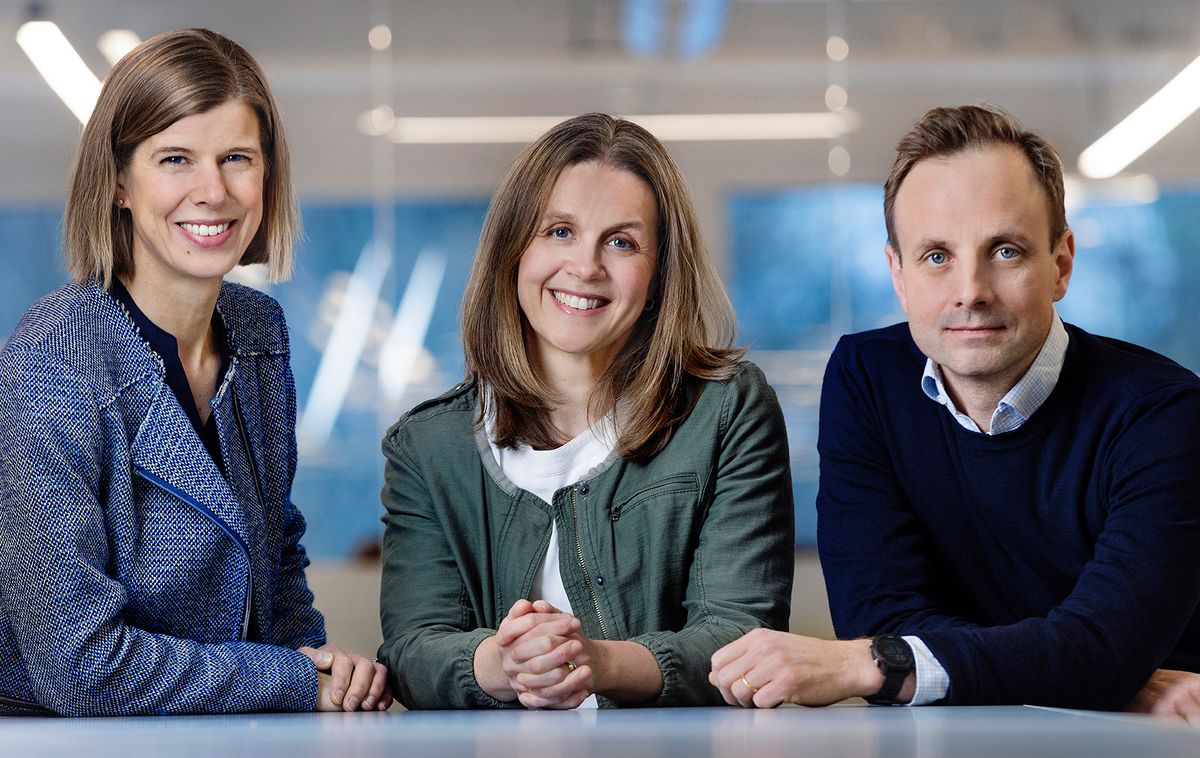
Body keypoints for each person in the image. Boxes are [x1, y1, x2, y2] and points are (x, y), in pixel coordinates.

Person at [709, 104, 1200, 718]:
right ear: (898, 274)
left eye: (1006, 251)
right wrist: (1097, 674)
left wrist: (877, 663)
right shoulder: (867, 379)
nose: (971, 291)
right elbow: (879, 612)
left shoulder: (1164, 414)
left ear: (1061, 265)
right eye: (937, 256)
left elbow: (1103, 644)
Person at [0, 28, 391, 716]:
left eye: (237, 158)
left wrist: (327, 671)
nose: (213, 191)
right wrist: (295, 681)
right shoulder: (55, 355)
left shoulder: (257, 330)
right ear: (118, 182)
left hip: (229, 730)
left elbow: (274, 558)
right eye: (175, 159)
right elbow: (79, 668)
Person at [377, 113, 794, 709]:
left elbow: (740, 636)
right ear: (512, 250)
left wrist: (595, 662)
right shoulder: (429, 445)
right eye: (559, 231)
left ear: (659, 274)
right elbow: (412, 649)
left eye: (622, 242)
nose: (586, 267)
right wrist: (505, 663)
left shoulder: (727, 411)